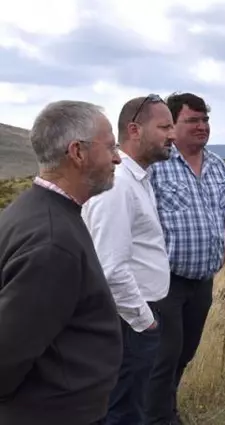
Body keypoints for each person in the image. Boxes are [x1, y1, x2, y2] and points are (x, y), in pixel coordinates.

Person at [0, 100, 123, 425]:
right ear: (78, 153)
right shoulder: (53, 242)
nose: (117, 158)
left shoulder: (32, 209)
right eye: (110, 147)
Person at [144, 92, 225, 425]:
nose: (202, 127)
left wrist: (221, 257)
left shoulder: (217, 165)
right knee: (162, 356)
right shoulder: (157, 166)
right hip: (164, 281)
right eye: (192, 120)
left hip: (202, 281)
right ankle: (156, 419)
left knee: (184, 353)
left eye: (205, 120)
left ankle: (166, 411)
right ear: (172, 126)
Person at [81, 94, 176, 424]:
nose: (173, 135)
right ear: (134, 130)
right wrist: (144, 320)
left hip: (135, 316)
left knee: (132, 404)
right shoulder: (120, 185)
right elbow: (110, 268)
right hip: (128, 320)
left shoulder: (139, 179)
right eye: (164, 126)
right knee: (122, 411)